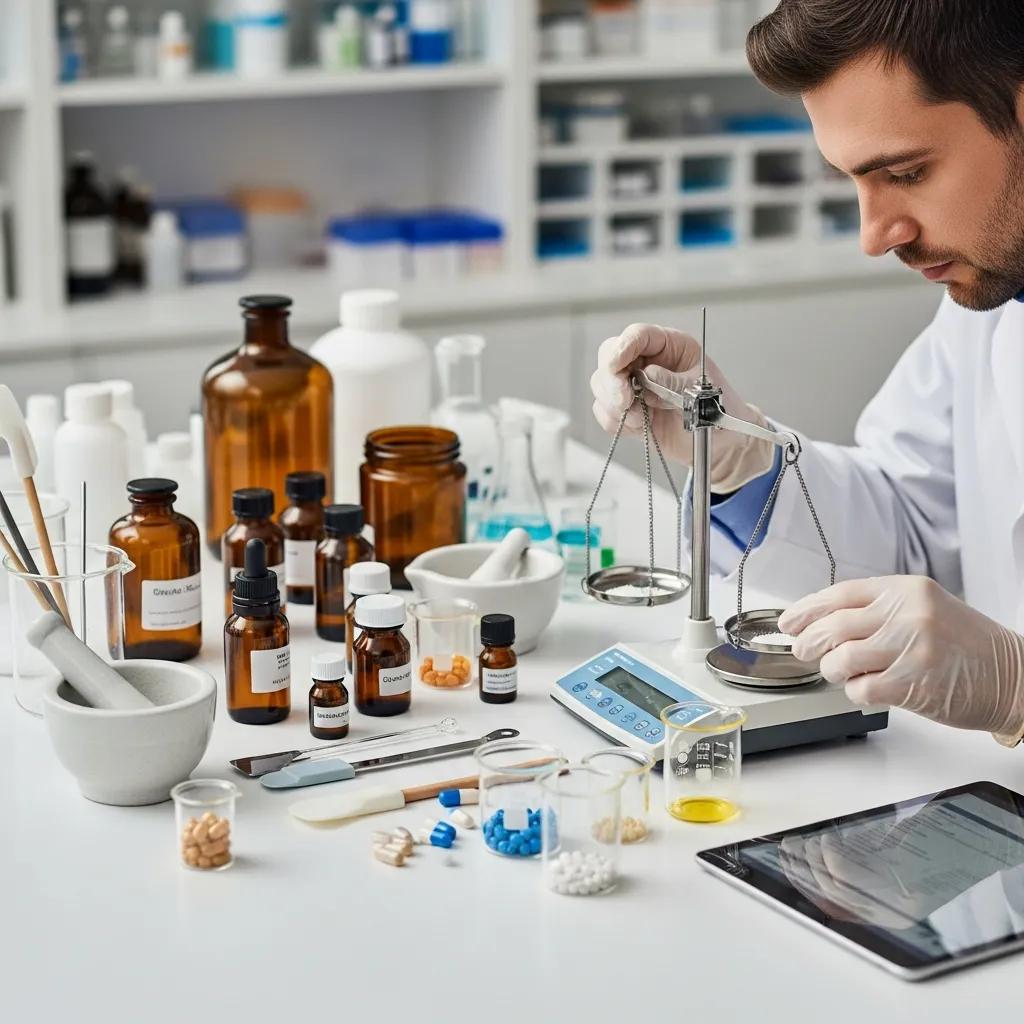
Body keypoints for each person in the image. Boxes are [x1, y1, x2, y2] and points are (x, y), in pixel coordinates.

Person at [590, 0, 1024, 746]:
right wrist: (737, 458)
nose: (875, 235)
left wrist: (1017, 686)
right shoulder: (991, 302)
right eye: (854, 181)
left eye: (908, 171)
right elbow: (915, 532)